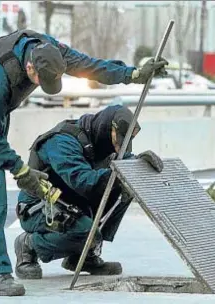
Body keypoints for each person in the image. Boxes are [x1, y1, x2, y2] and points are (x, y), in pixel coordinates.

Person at [0, 29, 168, 297]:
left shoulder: (50, 52)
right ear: (29, 66)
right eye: (38, 80)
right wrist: (21, 170)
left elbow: (88, 66)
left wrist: (132, 75)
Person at [14, 105, 164, 280]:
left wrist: (137, 164)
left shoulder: (99, 143)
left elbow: (119, 162)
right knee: (86, 231)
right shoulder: (62, 142)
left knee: (124, 187)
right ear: (107, 128)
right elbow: (82, 181)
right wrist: (120, 174)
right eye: (118, 142)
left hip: (71, 204)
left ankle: (83, 256)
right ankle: (29, 245)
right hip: (39, 209)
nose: (119, 148)